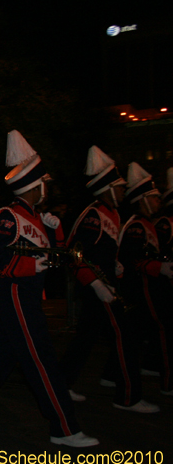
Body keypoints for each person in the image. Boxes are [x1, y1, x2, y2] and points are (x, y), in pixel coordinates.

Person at [0, 131, 98, 448]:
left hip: (29, 297)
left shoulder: (35, 217)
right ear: (34, 185)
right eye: (44, 181)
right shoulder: (8, 215)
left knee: (6, 357)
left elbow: (50, 259)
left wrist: (55, 235)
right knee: (42, 359)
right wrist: (30, 266)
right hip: (16, 296)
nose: (47, 186)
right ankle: (64, 428)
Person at [60, 147, 158, 412]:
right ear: (108, 188)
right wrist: (96, 283)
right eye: (120, 186)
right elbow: (75, 253)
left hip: (105, 287)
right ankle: (128, 397)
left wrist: (112, 264)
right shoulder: (93, 215)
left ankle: (62, 385)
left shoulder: (112, 213)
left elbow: (101, 250)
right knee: (125, 339)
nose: (124, 191)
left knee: (85, 338)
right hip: (99, 289)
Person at [118, 162, 173, 395]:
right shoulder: (138, 226)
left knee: (135, 336)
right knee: (163, 330)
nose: (158, 201)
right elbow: (132, 258)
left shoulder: (147, 224)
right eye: (154, 198)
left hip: (148, 288)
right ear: (143, 199)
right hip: (140, 289)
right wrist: (158, 267)